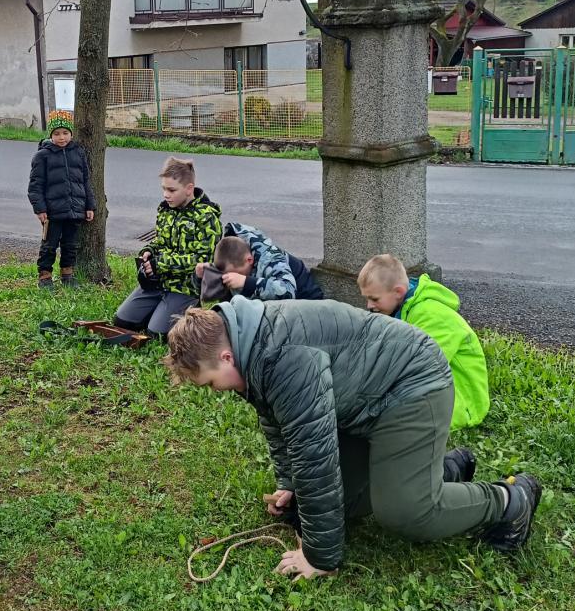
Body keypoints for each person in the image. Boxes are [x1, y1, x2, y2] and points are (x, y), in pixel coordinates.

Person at [164, 297, 540, 578]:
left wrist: (319, 557)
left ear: (226, 357)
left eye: (210, 383)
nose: (215, 391)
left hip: (412, 386)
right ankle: (442, 471)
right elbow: (277, 422)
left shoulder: (282, 357)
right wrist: (289, 484)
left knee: (406, 512)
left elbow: (315, 458)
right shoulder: (249, 345)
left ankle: (510, 500)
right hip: (365, 403)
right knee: (345, 502)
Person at [358, 254, 490, 431]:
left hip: (463, 402)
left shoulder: (431, 315)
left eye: (374, 299)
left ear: (398, 292)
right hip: (436, 388)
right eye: (366, 298)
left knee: (384, 417)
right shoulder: (404, 308)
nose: (369, 305)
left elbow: (424, 366)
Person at [113, 156, 222, 338]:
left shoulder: (206, 217)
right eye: (163, 188)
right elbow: (161, 241)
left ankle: (192, 308)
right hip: (158, 283)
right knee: (122, 321)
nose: (166, 194)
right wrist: (149, 251)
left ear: (189, 189)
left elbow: (204, 260)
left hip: (185, 287)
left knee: (157, 334)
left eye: (171, 190)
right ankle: (160, 310)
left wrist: (159, 264)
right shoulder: (166, 210)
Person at [27, 110, 95, 288]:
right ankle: (45, 276)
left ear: (71, 133)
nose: (62, 137)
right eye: (57, 133)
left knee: (70, 244)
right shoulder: (43, 156)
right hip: (53, 211)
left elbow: (85, 181)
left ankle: (67, 274)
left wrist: (90, 206)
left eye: (65, 133)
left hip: (75, 209)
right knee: (49, 245)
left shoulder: (78, 153)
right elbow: (35, 185)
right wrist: (40, 209)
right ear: (51, 135)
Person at [204, 222, 325, 301]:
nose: (233, 278)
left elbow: (288, 291)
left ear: (249, 260)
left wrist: (246, 282)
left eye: (237, 274)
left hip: (305, 302)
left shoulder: (270, 257)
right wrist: (203, 276)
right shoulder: (230, 258)